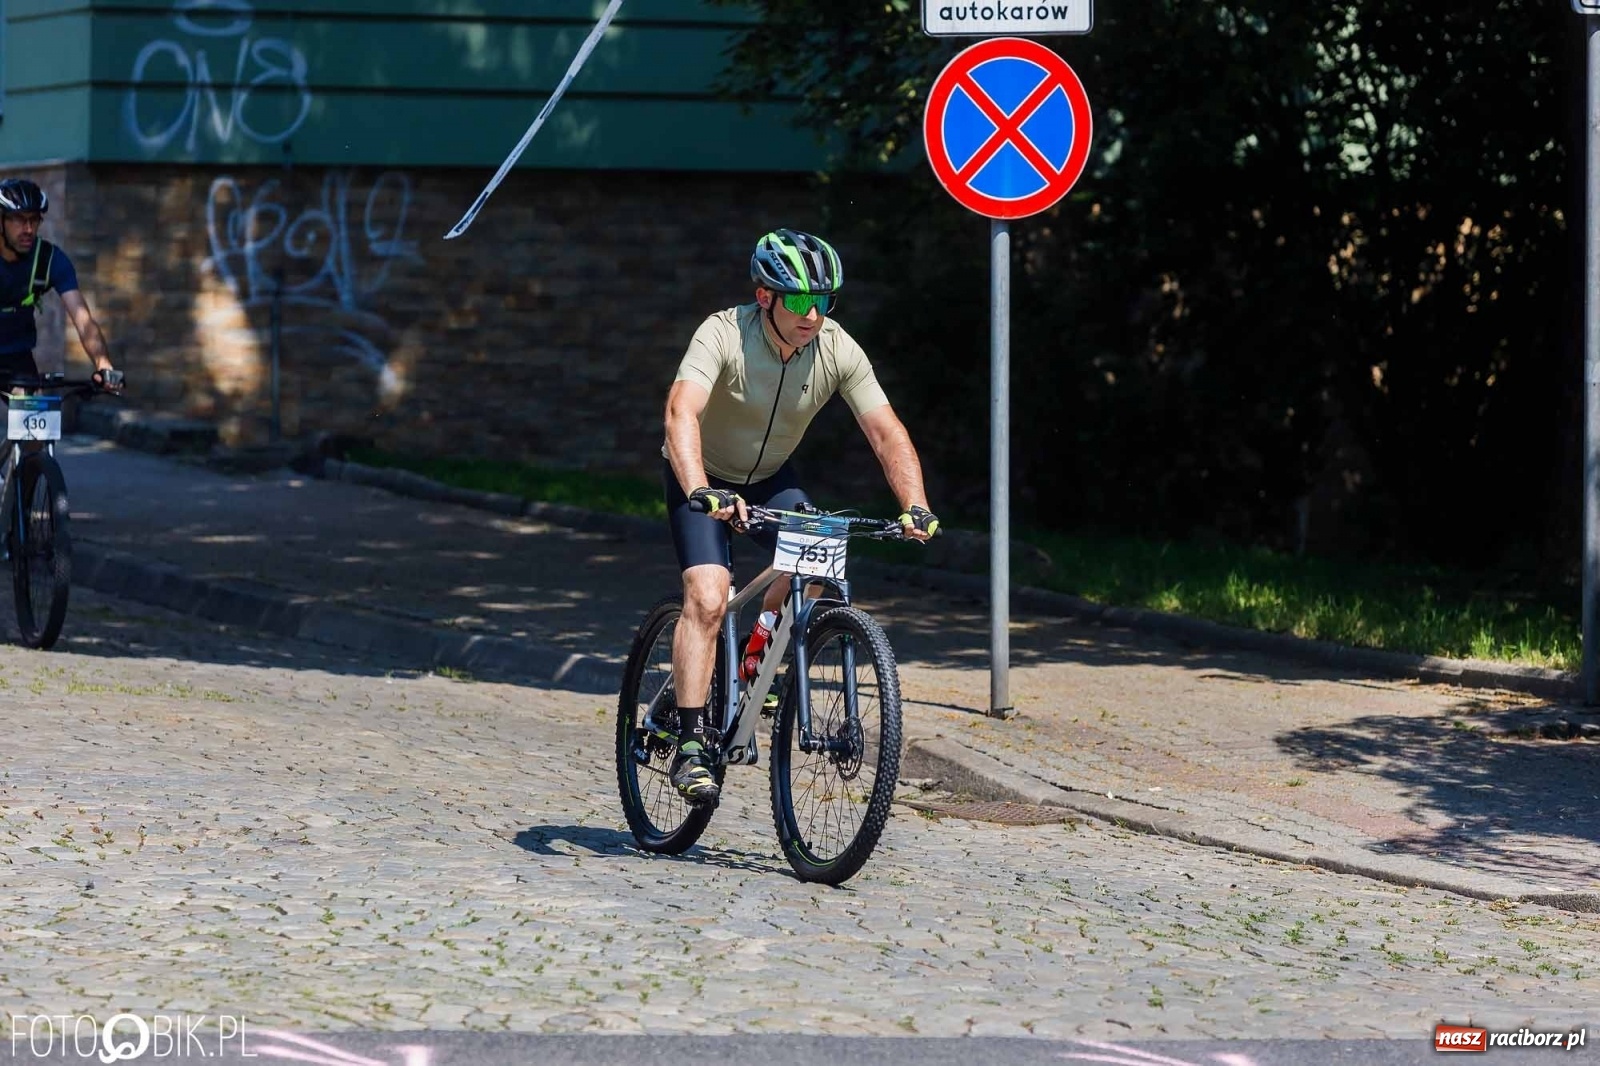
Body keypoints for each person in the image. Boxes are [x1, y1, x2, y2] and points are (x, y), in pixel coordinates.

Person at [660, 228, 941, 803]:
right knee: (710, 595)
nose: (812, 315)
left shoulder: (837, 348)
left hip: (770, 479)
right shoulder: (722, 333)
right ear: (765, 297)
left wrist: (916, 504)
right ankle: (690, 744)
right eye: (799, 301)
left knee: (819, 559)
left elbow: (886, 432)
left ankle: (751, 659)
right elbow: (680, 412)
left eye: (823, 301)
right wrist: (700, 491)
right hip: (702, 475)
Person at [0, 178, 122, 391]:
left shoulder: (49, 260)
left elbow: (83, 319)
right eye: (19, 219)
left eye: (34, 219)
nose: (28, 229)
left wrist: (103, 364)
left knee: (36, 411)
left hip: (16, 357)